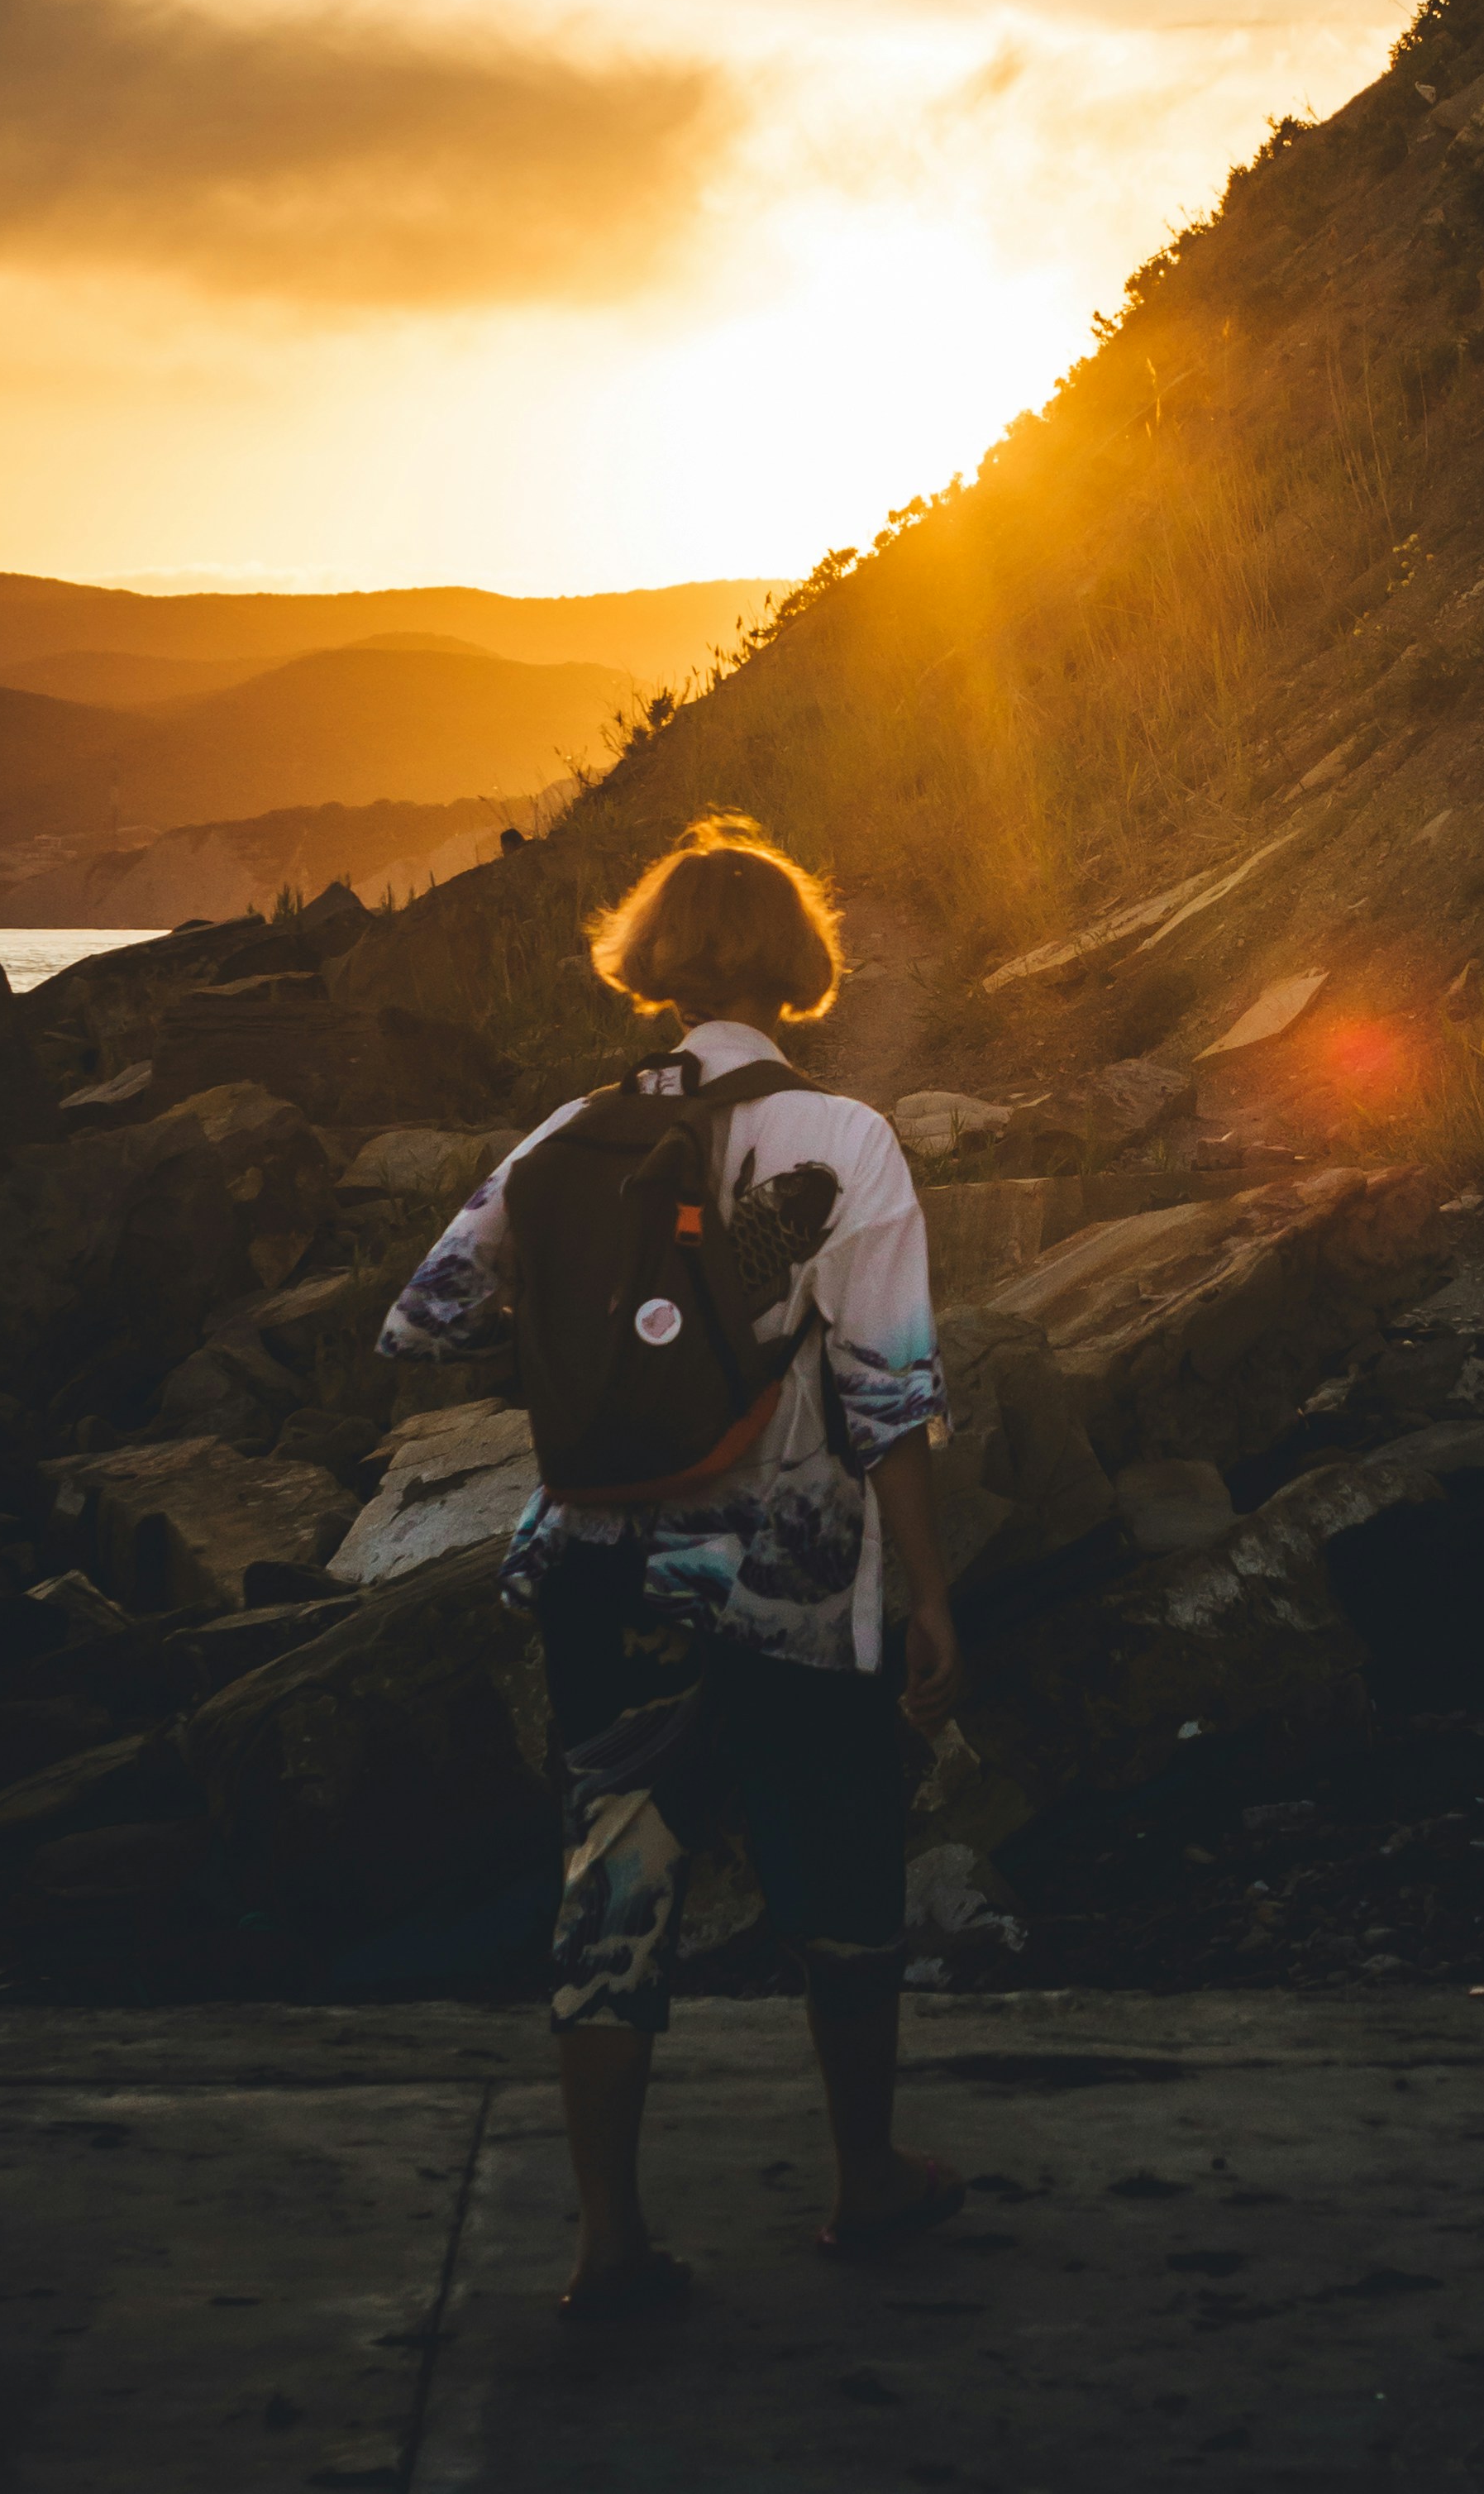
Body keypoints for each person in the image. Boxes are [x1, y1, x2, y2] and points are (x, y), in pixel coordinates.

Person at [376, 813, 966, 2322]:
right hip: (789, 1576)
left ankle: (610, 2242)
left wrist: (590, 1329)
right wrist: (930, 1593)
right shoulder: (844, 1141)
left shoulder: (568, 1138)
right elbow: (891, 1394)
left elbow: (425, 1318)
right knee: (838, 1860)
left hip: (598, 1569)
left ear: (651, 968)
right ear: (794, 966)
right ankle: (865, 2180)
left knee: (615, 1875)